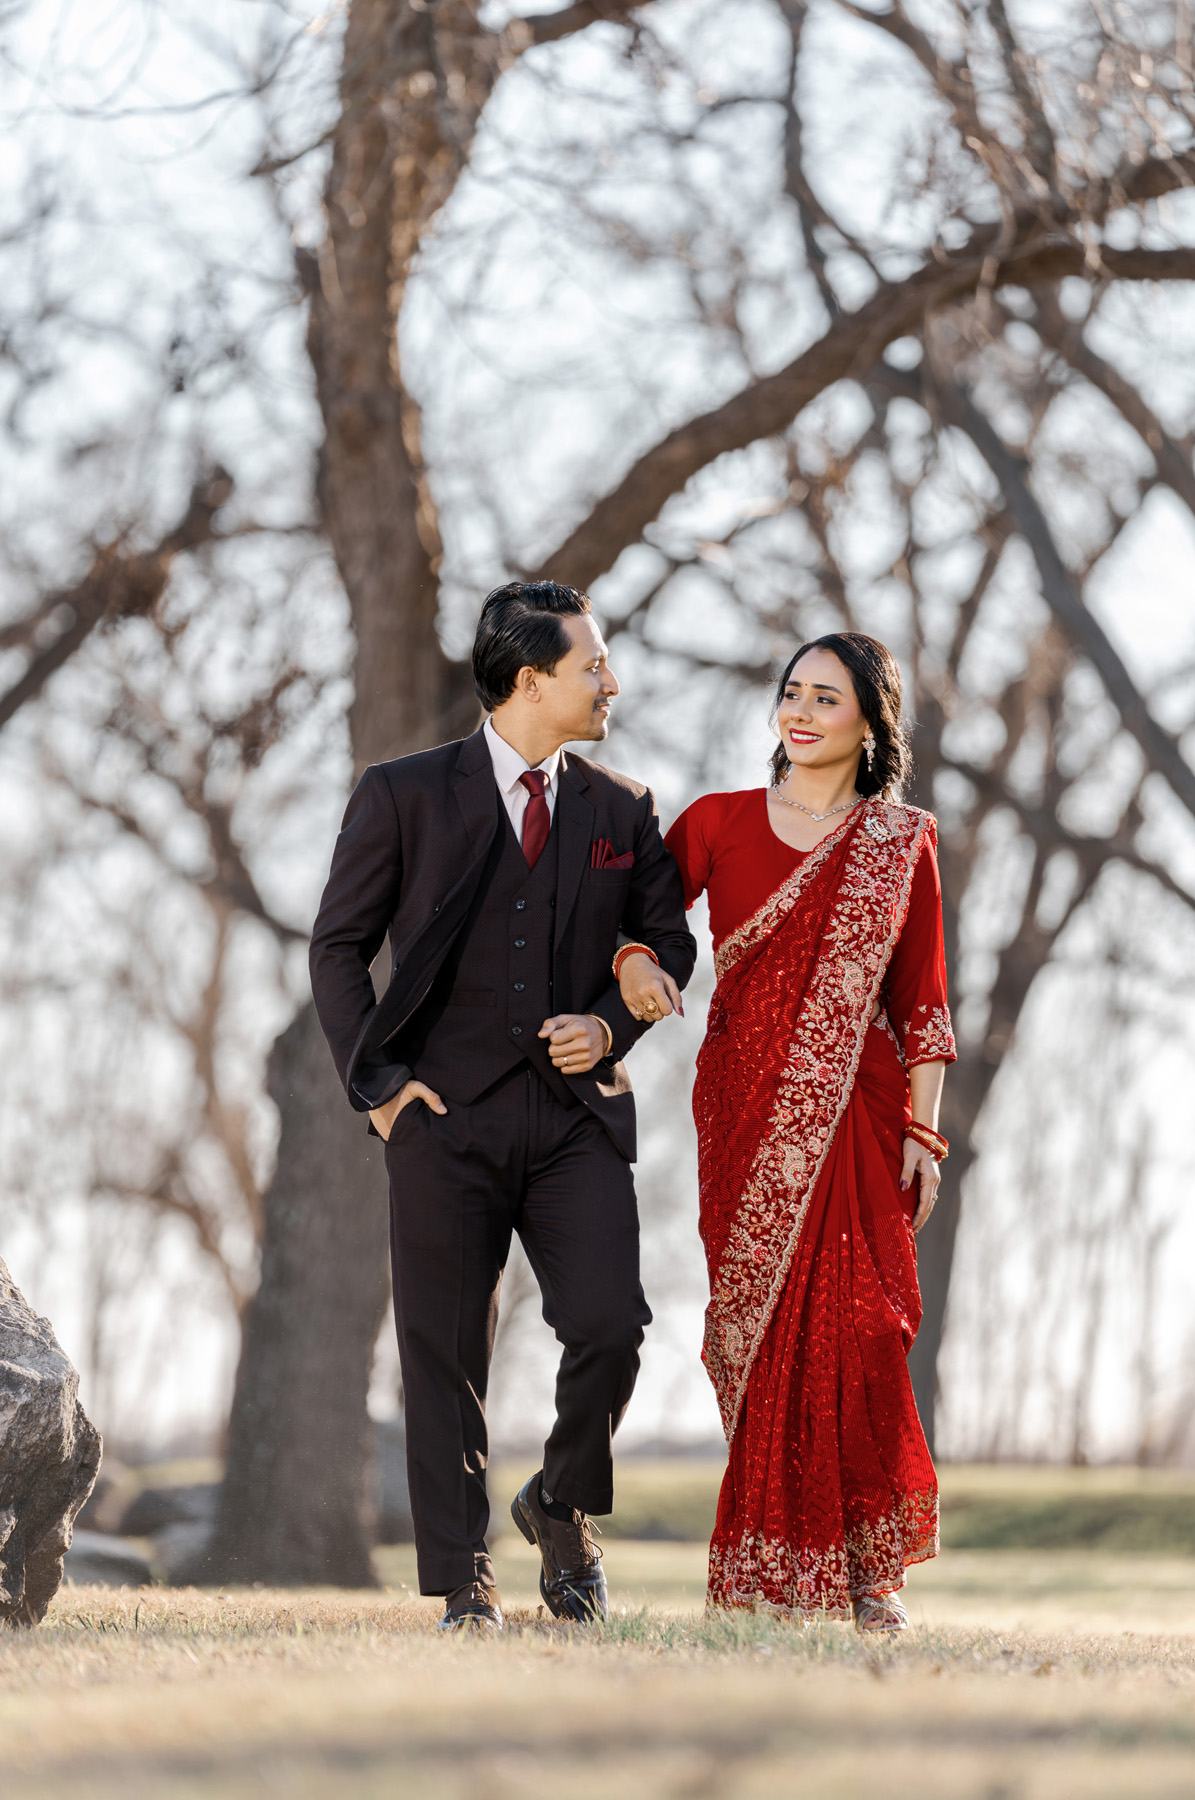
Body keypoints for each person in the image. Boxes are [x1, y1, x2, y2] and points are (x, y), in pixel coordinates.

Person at [309, 581, 695, 1633]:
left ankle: (560, 1506)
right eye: (592, 666)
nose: (610, 682)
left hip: (575, 1123)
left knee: (611, 1325)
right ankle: (463, 1583)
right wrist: (380, 1091)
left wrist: (609, 1026)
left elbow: (668, 942)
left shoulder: (623, 808)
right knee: (443, 1355)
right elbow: (338, 947)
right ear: (531, 681)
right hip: (441, 1117)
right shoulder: (401, 794)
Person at [619, 631, 955, 1631]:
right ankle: (769, 1571)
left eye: (826, 699)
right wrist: (633, 958)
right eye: (792, 693)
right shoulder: (716, 821)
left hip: (862, 1112)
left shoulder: (900, 842)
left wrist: (924, 1134)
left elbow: (925, 1002)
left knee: (864, 1330)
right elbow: (637, 914)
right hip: (742, 1105)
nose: (801, 713)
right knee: (764, 1337)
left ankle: (867, 1576)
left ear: (870, 723)